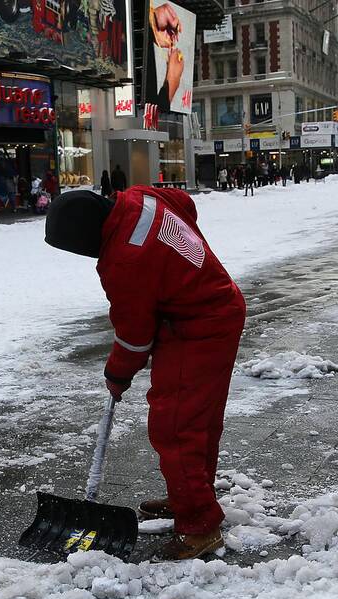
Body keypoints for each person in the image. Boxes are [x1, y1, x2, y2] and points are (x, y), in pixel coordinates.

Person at [43, 188, 246, 560]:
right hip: (208, 308)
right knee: (197, 419)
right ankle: (189, 495)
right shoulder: (138, 197)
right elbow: (185, 204)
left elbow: (135, 336)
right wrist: (178, 264)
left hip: (199, 324)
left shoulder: (125, 259)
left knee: (176, 426)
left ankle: (200, 527)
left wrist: (117, 375)